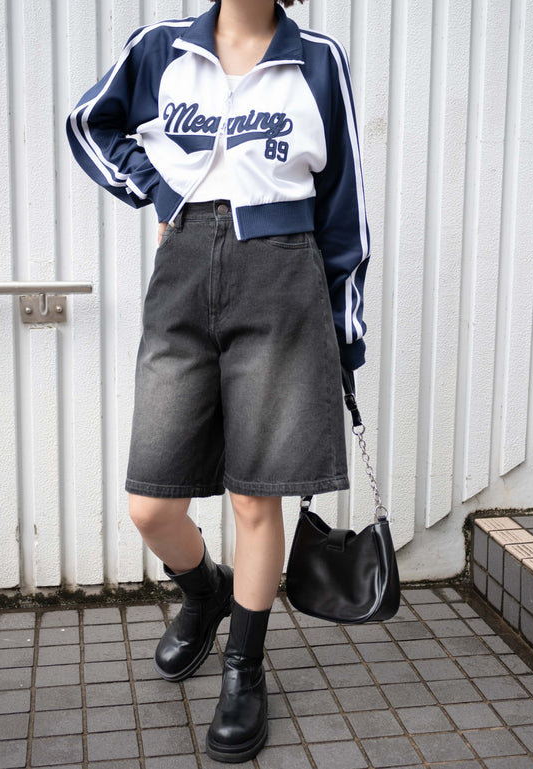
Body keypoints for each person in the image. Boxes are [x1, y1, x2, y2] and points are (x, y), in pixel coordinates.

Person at [67, 0, 369, 761]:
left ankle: (244, 668)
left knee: (254, 495)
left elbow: (344, 207)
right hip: (182, 271)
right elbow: (89, 123)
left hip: (283, 276)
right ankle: (204, 591)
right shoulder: (160, 48)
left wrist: (345, 331)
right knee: (150, 503)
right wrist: (157, 189)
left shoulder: (318, 59)